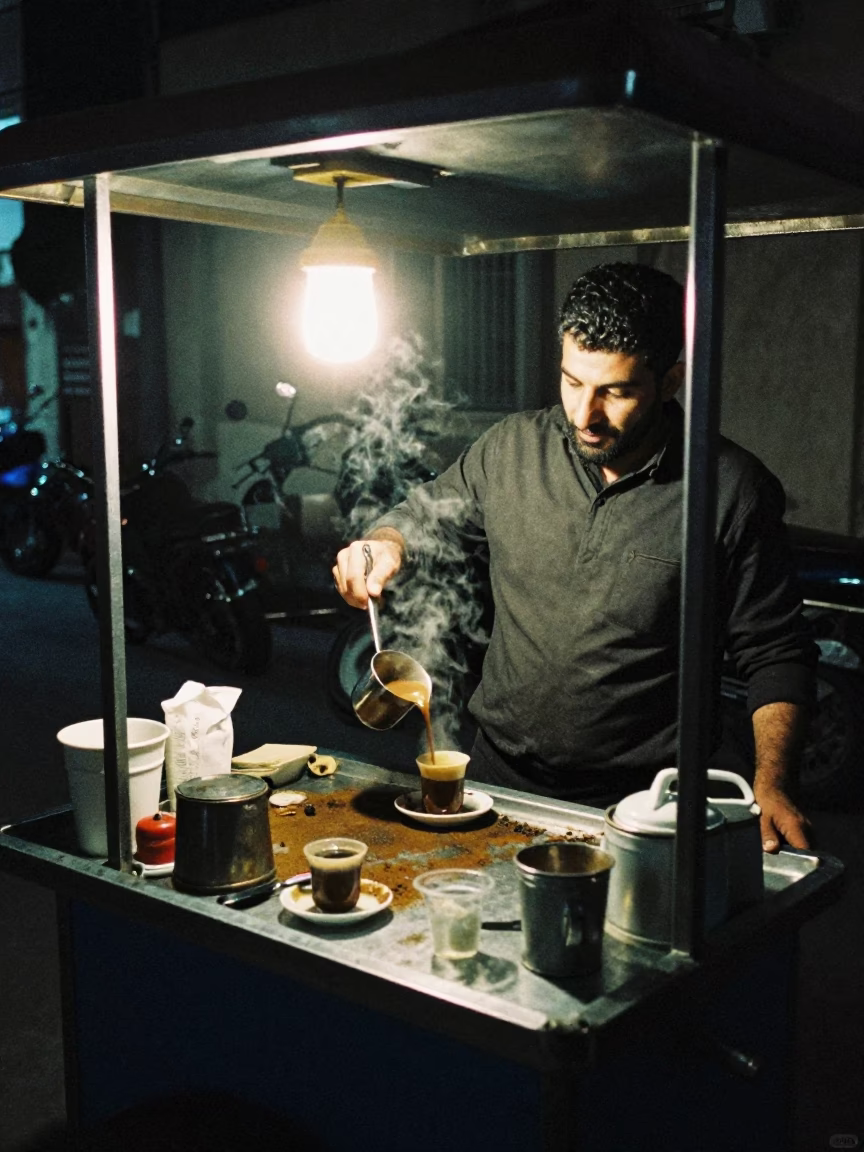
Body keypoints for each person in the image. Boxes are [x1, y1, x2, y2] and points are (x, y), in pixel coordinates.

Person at [333, 262, 815, 853]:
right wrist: (381, 544)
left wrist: (772, 782)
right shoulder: (511, 449)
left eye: (615, 391)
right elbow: (421, 515)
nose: (585, 416)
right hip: (496, 780)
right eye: (572, 382)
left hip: (642, 805)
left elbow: (777, 651)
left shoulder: (731, 490)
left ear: (670, 381)